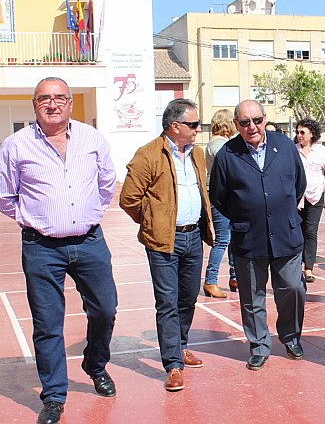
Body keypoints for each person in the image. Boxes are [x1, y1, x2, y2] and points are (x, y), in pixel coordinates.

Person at [0, 77, 118, 424]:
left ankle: (95, 365)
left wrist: (88, 213)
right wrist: (33, 218)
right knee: (48, 324)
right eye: (44, 98)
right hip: (41, 247)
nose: (53, 104)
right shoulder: (16, 145)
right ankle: (53, 397)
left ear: (70, 103)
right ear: (34, 105)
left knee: (105, 310)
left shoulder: (92, 139)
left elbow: (107, 183)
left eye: (60, 98)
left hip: (90, 242)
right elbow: (4, 197)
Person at [119, 99, 214, 392]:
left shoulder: (196, 153)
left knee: (188, 297)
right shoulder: (148, 155)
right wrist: (152, 222)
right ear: (175, 126)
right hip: (163, 240)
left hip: (193, 236)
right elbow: (128, 199)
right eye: (194, 124)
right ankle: (173, 364)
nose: (198, 129)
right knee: (167, 302)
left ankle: (181, 344)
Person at [209, 99, 307, 371]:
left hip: (286, 234)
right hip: (248, 237)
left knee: (292, 288)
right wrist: (245, 213)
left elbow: (299, 182)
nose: (251, 126)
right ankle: (259, 345)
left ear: (265, 119)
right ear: (236, 124)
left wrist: (280, 208)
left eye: (256, 120)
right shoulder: (227, 154)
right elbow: (218, 196)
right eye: (244, 122)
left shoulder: (285, 146)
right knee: (252, 296)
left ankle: (290, 337)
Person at [203, 109, 238, 298]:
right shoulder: (220, 145)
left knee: (231, 237)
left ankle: (235, 276)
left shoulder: (218, 143)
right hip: (221, 195)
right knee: (223, 239)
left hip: (224, 194)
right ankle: (210, 280)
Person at [296, 117, 325, 282]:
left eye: (302, 132)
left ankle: (308, 268)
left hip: (315, 197)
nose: (299, 135)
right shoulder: (293, 150)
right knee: (297, 231)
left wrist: (323, 189)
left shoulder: (320, 151)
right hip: (297, 198)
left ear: (312, 134)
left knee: (311, 231)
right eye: (297, 132)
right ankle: (296, 266)